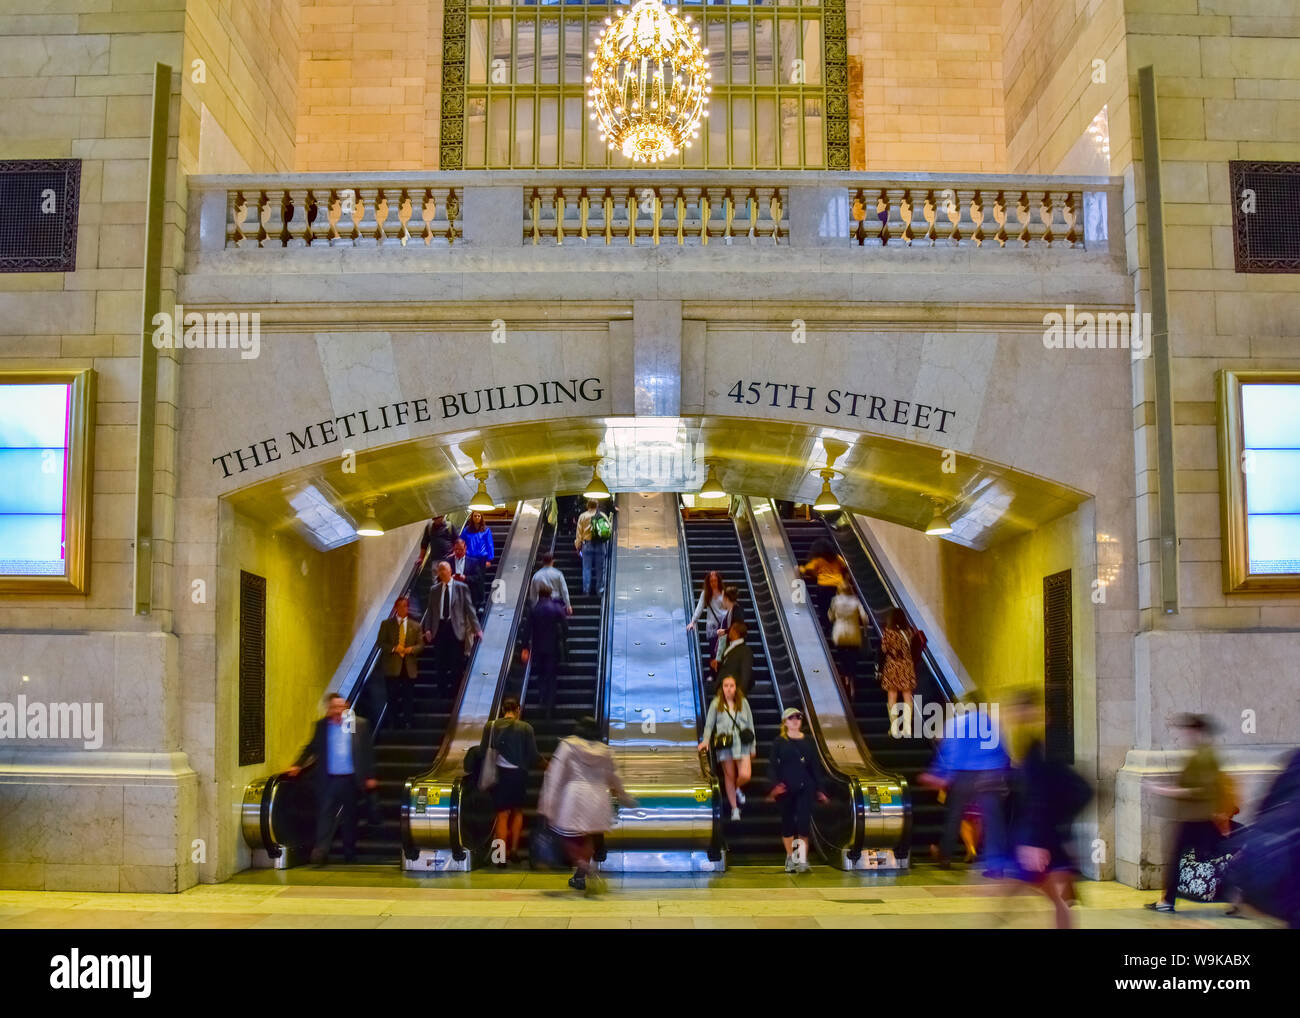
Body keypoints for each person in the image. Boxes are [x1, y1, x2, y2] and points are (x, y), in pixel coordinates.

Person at [1003, 691, 1091, 929]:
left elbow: (1043, 797)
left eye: (1018, 711)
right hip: (1045, 834)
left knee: (1051, 897)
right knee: (1056, 898)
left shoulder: (1039, 752)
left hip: (1042, 837)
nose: (1012, 717)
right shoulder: (1036, 748)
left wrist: (1038, 839)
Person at [537, 714, 637, 894]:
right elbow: (615, 777)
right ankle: (580, 875)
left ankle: (582, 865)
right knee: (589, 837)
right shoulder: (606, 751)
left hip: (574, 797)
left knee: (567, 837)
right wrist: (625, 798)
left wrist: (548, 803)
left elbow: (554, 776)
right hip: (598, 799)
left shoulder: (568, 746)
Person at [919, 688, 1009, 874]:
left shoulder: (957, 723)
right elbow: (1001, 751)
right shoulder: (992, 723)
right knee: (993, 820)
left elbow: (950, 752)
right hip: (990, 776)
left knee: (954, 816)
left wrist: (940, 774)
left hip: (964, 776)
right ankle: (995, 864)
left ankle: (945, 855)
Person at [1146, 713, 1226, 914]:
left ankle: (1167, 901)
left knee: (1184, 857)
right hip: (1195, 817)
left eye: (1187, 730)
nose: (1184, 735)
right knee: (1202, 855)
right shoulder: (1201, 755)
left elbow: (1201, 790)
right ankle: (1167, 900)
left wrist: (1163, 790)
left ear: (1197, 731)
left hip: (1198, 818)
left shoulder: (1204, 757)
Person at [287, 693, 376, 866]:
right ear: (329, 709)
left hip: (350, 779)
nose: (338, 711)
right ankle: (320, 853)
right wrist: (297, 765)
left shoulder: (358, 725)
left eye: (341, 707)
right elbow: (311, 747)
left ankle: (349, 853)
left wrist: (370, 776)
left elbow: (367, 752)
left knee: (350, 818)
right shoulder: (322, 726)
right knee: (325, 815)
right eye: (334, 708)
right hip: (328, 780)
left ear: (347, 707)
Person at [769, 706, 830, 873]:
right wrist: (775, 785)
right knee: (788, 822)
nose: (795, 720)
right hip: (786, 787)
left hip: (806, 786)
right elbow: (773, 766)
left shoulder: (809, 741)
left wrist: (820, 789)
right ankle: (791, 858)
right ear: (785, 722)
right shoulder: (779, 742)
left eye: (798, 717)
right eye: (791, 718)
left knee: (803, 823)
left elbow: (815, 767)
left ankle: (802, 859)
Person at [484, 697, 538, 867]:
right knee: (518, 812)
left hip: (499, 774)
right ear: (518, 709)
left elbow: (483, 750)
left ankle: (500, 856)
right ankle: (514, 850)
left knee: (502, 814)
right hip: (519, 775)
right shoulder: (526, 728)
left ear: (502, 710)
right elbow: (533, 754)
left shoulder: (491, 726)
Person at [420, 560, 482, 696]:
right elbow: (430, 611)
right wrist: (427, 629)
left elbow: (469, 609)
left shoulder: (461, 587)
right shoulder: (434, 590)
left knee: (456, 661)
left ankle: (456, 691)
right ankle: (441, 690)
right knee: (440, 661)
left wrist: (477, 629)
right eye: (439, 570)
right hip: (439, 628)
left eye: (444, 569)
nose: (441, 572)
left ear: (450, 571)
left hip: (455, 628)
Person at [698, 675, 755, 820]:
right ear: (722, 688)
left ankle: (737, 788)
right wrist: (705, 741)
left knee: (745, 775)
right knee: (729, 776)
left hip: (742, 743)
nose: (729, 689)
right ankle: (735, 809)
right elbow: (709, 725)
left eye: (731, 686)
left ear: (736, 687)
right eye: (726, 686)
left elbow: (750, 725)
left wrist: (753, 747)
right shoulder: (716, 703)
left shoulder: (743, 702)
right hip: (725, 744)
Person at [521, 582, 567, 716]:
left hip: (538, 647)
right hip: (553, 647)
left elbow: (527, 630)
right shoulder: (556, 608)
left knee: (540, 674)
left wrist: (525, 647)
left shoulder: (534, 609)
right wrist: (563, 637)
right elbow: (565, 626)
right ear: (550, 594)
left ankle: (542, 697)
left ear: (539, 595)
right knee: (551, 675)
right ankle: (551, 704)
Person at [377, 596, 421, 729]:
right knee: (392, 696)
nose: (403, 608)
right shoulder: (386, 624)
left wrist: (412, 649)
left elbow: (421, 645)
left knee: (408, 696)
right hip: (392, 666)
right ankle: (393, 722)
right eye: (400, 606)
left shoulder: (415, 625)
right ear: (396, 608)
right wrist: (394, 648)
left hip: (409, 667)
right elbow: (380, 642)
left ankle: (408, 721)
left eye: (405, 606)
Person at [827, 581, 869, 700]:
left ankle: (845, 680)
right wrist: (865, 629)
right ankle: (851, 682)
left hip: (840, 634)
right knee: (852, 659)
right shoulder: (855, 601)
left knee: (843, 658)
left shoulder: (836, 600)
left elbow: (830, 617)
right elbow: (865, 618)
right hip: (854, 635)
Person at [880, 608, 918, 737]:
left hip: (893, 665)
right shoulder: (908, 632)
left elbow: (884, 649)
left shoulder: (889, 632)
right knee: (907, 696)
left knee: (892, 695)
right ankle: (907, 728)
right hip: (907, 665)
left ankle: (894, 728)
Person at [798, 537, 848, 622]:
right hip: (838, 586)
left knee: (823, 606)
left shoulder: (818, 560)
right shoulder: (837, 558)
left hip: (823, 586)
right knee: (835, 606)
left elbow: (807, 569)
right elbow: (845, 568)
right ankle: (835, 621)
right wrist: (843, 579)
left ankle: (826, 623)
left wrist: (800, 569)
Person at [574, 499, 610, 597]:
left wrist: (578, 546)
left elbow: (579, 533)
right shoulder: (603, 516)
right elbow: (608, 530)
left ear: (587, 505)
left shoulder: (583, 516)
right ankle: (599, 590)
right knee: (600, 568)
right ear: (597, 506)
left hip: (587, 545)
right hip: (600, 545)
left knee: (586, 568)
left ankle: (586, 590)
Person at [686, 570, 727, 652]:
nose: (713, 583)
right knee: (713, 652)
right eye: (711, 581)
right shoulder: (706, 593)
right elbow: (699, 607)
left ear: (718, 581)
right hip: (713, 627)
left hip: (724, 626)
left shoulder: (724, 593)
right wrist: (693, 621)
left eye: (715, 580)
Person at [712, 620, 754, 695]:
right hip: (724, 690)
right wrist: (718, 664)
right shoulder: (730, 646)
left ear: (735, 633)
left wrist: (739, 694)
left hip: (733, 692)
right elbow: (727, 665)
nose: (729, 632)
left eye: (731, 629)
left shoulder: (745, 651)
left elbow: (745, 674)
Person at [445, 537, 485, 608]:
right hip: (453, 594)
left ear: (465, 548)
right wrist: (451, 578)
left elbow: (478, 578)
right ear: (454, 548)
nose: (458, 552)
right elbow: (442, 577)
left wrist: (465, 578)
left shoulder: (473, 562)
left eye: (461, 550)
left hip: (469, 594)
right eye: (456, 549)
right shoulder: (448, 561)